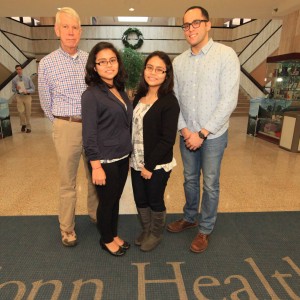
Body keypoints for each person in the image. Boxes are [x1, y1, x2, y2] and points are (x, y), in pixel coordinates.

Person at [167, 6, 240, 253]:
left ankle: (205, 229)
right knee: (189, 179)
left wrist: (203, 133)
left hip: (214, 136)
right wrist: (185, 131)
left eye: (196, 23)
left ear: (208, 24)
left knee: (210, 182)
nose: (190, 29)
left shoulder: (226, 55)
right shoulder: (178, 62)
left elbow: (229, 100)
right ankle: (189, 217)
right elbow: (173, 100)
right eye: (186, 25)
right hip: (187, 134)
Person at [38, 7, 98, 247]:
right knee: (67, 181)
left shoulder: (89, 60)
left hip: (93, 127)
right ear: (57, 30)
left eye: (75, 28)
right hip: (66, 127)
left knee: (95, 176)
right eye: (66, 27)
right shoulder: (47, 63)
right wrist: (62, 125)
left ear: (80, 31)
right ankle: (67, 228)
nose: (71, 32)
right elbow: (45, 101)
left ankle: (96, 215)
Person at [82, 42, 132, 257]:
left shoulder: (118, 89)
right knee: (107, 201)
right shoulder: (91, 95)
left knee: (115, 199)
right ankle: (106, 239)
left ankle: (112, 233)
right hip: (104, 160)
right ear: (95, 67)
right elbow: (89, 134)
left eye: (112, 60)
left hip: (122, 156)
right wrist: (96, 166)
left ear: (118, 63)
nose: (108, 65)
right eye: (102, 62)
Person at [130, 51, 180, 252]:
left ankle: (156, 234)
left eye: (160, 69)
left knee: (154, 199)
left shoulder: (169, 102)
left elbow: (168, 139)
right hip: (136, 161)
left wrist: (149, 166)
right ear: (144, 70)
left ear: (166, 74)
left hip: (156, 164)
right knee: (140, 199)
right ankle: (147, 229)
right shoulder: (139, 97)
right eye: (150, 67)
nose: (153, 73)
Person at [12, 65, 35, 133]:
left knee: (28, 112)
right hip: (19, 97)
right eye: (17, 69)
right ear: (16, 70)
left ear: (22, 69)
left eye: (20, 69)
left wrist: (27, 91)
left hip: (27, 97)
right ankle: (23, 124)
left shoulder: (27, 78)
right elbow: (13, 89)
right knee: (21, 112)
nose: (19, 70)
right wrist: (16, 89)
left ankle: (28, 127)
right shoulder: (14, 80)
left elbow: (33, 88)